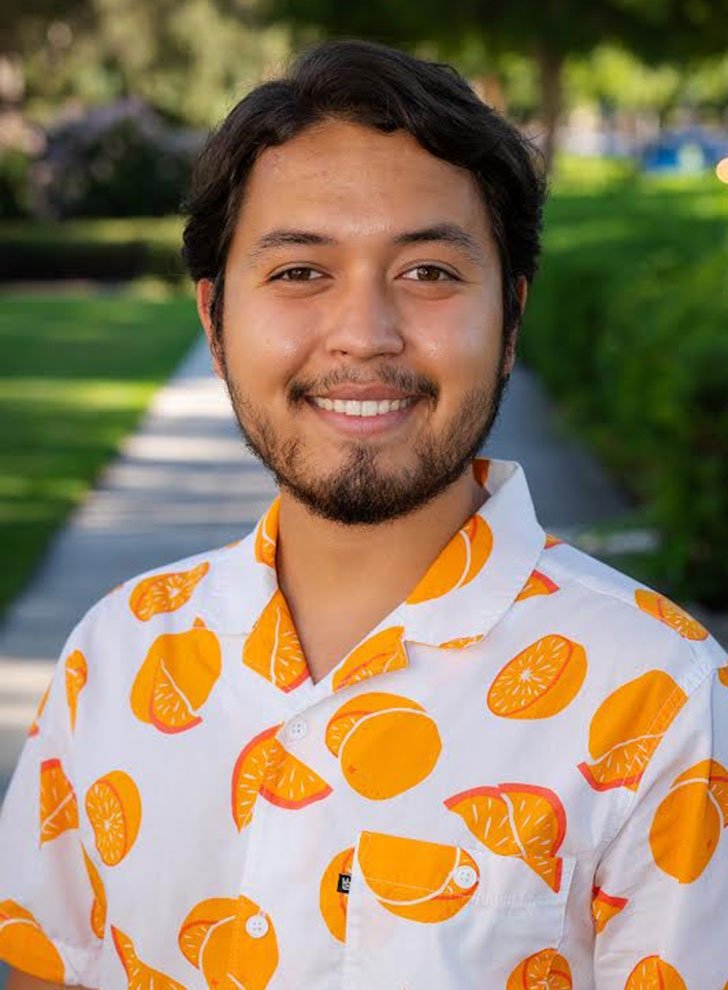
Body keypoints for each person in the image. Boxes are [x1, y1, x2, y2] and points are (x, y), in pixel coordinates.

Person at [0, 38, 726, 990]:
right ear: (215, 321)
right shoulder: (115, 658)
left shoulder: (667, 703)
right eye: (300, 272)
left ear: (511, 318)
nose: (364, 335)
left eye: (428, 272)